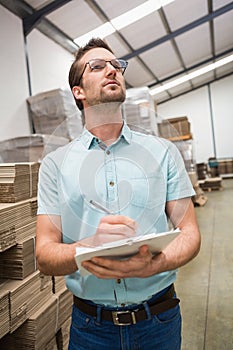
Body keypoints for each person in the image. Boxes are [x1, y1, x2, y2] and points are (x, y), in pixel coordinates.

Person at [36, 37, 201, 350]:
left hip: (159, 321)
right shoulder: (55, 165)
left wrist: (155, 264)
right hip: (91, 329)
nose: (111, 70)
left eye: (116, 65)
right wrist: (87, 248)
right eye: (97, 66)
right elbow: (44, 255)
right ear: (79, 92)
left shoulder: (163, 152)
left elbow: (190, 234)